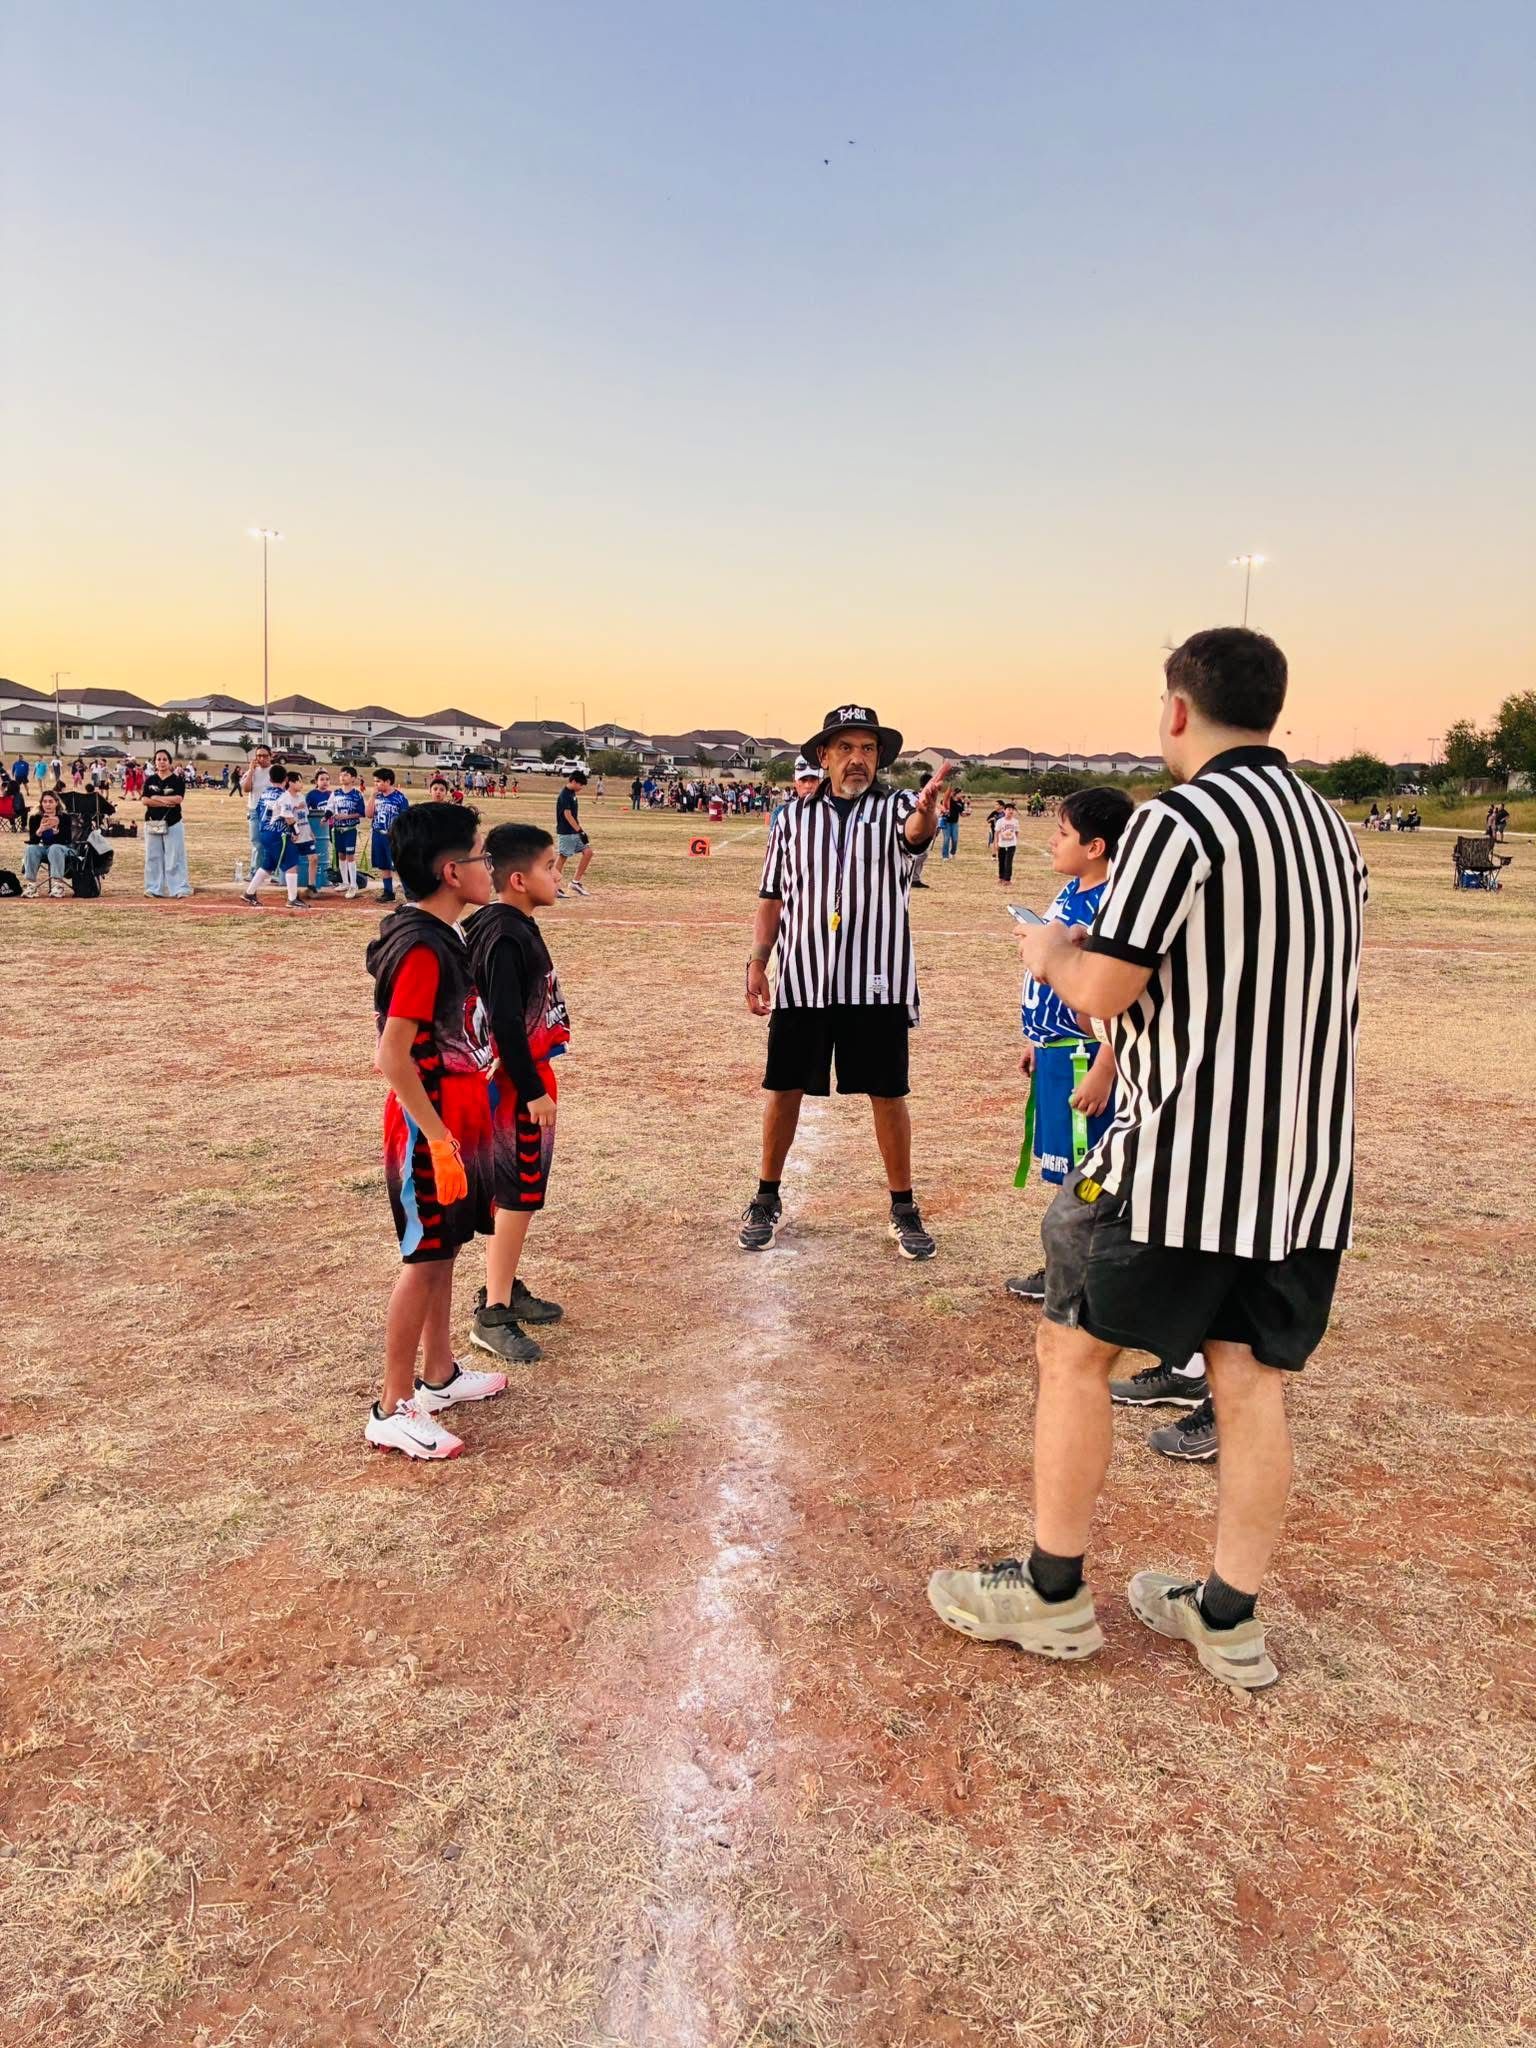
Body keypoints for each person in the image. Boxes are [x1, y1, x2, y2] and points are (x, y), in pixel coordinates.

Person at [928, 627, 1367, 1692]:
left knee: (1074, 1354)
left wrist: (1047, 950)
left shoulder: (1182, 822)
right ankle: (1228, 1616)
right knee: (1251, 1387)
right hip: (1305, 1168)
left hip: (1182, 1158)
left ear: (1178, 709)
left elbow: (1105, 989)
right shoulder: (1332, 830)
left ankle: (1052, 1589)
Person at [739, 703, 949, 1261]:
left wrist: (928, 811)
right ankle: (765, 1197)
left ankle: (903, 1207)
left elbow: (915, 832)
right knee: (783, 1089)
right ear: (824, 756)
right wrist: (759, 959)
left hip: (875, 981)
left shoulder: (898, 808)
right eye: (847, 748)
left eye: (869, 749)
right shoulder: (791, 820)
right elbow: (772, 898)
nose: (859, 759)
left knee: (888, 1094)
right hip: (804, 980)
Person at [363, 801, 507, 1458]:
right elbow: (392, 1056)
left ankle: (441, 1373)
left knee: (445, 1250)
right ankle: (392, 1406)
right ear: (452, 871)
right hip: (427, 1133)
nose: (489, 867)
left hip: (451, 1125)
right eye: (481, 856)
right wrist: (441, 1141)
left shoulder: (444, 936)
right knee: (423, 1261)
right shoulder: (421, 949)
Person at [464, 822, 572, 1364]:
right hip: (514, 1087)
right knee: (516, 1194)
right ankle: (493, 1312)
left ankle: (501, 1283)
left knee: (517, 1195)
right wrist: (532, 1090)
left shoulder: (510, 922)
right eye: (550, 866)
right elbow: (504, 1018)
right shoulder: (503, 933)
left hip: (521, 1079)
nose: (558, 874)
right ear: (517, 879)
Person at [239, 770, 308, 908]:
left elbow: (258, 810)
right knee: (291, 864)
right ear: (286, 780)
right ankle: (292, 899)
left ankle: (249, 892)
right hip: (278, 833)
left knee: (268, 865)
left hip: (265, 832)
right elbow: (287, 816)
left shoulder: (265, 793)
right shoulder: (284, 795)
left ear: (270, 779)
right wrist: (296, 831)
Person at [142, 747, 193, 898]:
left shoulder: (176, 780)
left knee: (174, 856)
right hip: (153, 822)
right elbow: (145, 800)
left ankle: (179, 888)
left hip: (173, 822)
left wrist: (155, 798)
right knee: (153, 856)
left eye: (164, 759)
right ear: (154, 762)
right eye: (158, 759)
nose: (161, 762)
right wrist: (162, 801)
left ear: (170, 762)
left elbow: (178, 799)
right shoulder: (150, 780)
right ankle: (153, 888)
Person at [367, 768, 409, 904]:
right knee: (383, 864)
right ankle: (388, 891)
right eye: (375, 781)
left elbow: (405, 818)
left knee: (397, 865)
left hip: (393, 836)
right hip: (378, 834)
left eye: (378, 781)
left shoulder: (399, 797)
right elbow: (368, 814)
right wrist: (372, 797)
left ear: (388, 781)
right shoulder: (377, 797)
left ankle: (409, 892)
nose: (376, 784)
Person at [554, 769, 594, 897]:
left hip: (574, 831)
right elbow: (567, 815)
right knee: (562, 857)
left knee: (588, 852)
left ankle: (575, 882)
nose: (581, 787)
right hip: (566, 832)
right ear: (573, 781)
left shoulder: (572, 793)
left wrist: (580, 831)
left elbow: (574, 816)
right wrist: (580, 831)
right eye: (580, 784)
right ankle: (553, 887)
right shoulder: (565, 794)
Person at [23, 790, 70, 896]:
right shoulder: (35, 818)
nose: (47, 804)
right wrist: (39, 830)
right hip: (44, 848)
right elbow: (33, 841)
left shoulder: (64, 817)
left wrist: (56, 832)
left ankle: (58, 885)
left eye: (50, 801)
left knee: (55, 848)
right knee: (31, 849)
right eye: (45, 801)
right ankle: (31, 885)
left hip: (63, 848)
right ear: (41, 803)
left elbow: (68, 840)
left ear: (56, 803)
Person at [329, 766, 366, 898]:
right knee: (341, 855)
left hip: (350, 829)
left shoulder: (357, 794)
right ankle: (344, 882)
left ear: (353, 778)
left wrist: (346, 817)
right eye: (341, 775)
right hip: (338, 829)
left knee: (350, 856)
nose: (342, 777)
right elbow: (330, 808)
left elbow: (362, 813)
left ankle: (353, 884)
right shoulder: (336, 793)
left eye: (346, 775)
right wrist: (326, 817)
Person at [241, 746, 275, 867]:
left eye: (265, 756)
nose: (261, 759)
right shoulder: (252, 771)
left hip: (271, 810)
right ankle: (255, 869)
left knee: (271, 841)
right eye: (259, 756)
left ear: (271, 756)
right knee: (256, 841)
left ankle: (271, 870)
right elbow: (246, 788)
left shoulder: (275, 770)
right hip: (254, 808)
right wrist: (251, 771)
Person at [305, 770, 335, 893]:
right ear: (316, 781)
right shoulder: (312, 794)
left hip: (331, 826)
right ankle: (316, 875)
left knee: (333, 850)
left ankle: (333, 874)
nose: (325, 782)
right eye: (322, 779)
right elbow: (307, 811)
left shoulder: (331, 794)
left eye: (327, 779)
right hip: (318, 828)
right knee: (319, 851)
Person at [993, 800, 1019, 884]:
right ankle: (1001, 877)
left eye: (1012, 810)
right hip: (1002, 844)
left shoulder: (1015, 821)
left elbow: (1016, 832)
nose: (1011, 811)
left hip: (1011, 844)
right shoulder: (1000, 821)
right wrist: (996, 843)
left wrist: (1015, 841)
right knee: (1001, 861)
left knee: (1008, 862)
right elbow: (996, 833)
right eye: (1009, 809)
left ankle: (1007, 879)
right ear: (1004, 811)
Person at [939, 786, 965, 859]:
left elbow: (962, 813)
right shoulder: (949, 800)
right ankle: (945, 856)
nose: (962, 794)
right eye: (960, 793)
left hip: (955, 823)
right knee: (946, 839)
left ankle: (952, 852)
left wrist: (967, 813)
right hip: (946, 822)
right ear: (956, 793)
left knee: (955, 839)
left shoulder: (960, 802)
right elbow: (942, 802)